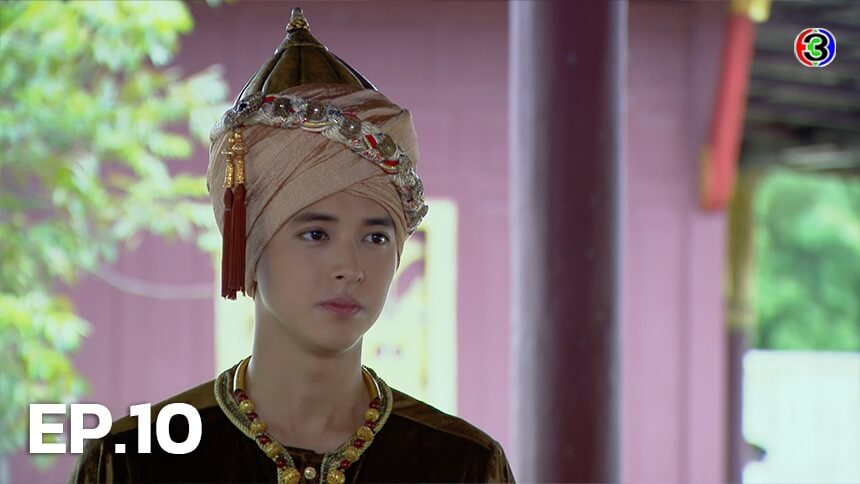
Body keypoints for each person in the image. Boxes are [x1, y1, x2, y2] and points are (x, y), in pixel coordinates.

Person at [69, 7, 514, 483]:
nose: (350, 267)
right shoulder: (135, 460)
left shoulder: (462, 464)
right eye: (316, 234)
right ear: (248, 242)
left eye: (376, 237)